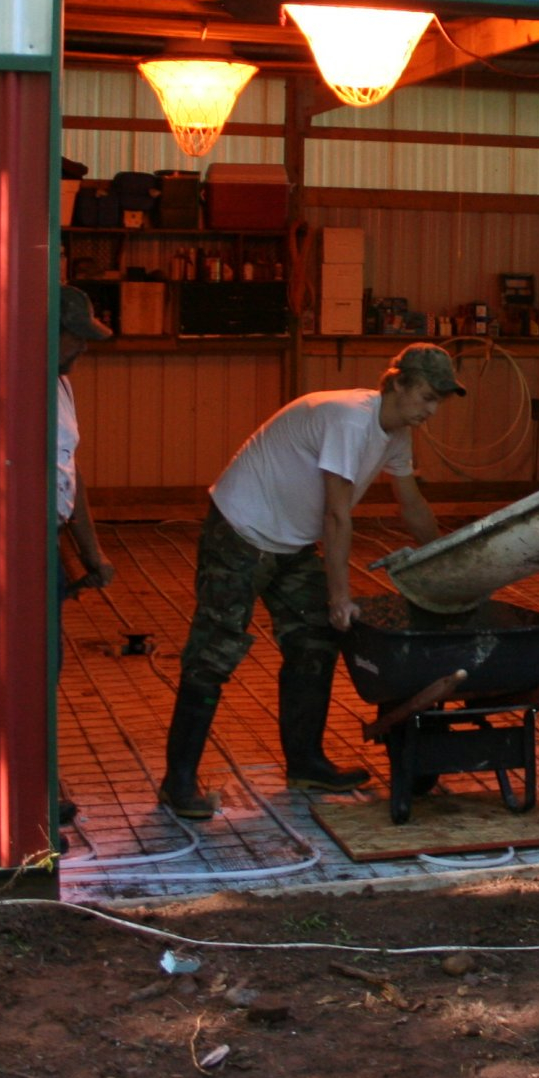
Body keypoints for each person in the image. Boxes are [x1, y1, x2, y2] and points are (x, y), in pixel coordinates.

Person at [157, 344, 464, 820]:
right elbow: (337, 516)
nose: (431, 411)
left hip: (290, 541)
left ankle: (305, 763)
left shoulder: (396, 430)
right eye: (426, 397)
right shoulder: (350, 420)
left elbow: (412, 503)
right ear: (397, 382)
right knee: (214, 651)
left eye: (438, 402)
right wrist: (339, 595)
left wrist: (452, 560)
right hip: (241, 530)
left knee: (315, 639)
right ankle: (177, 780)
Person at [56, 285, 115, 828]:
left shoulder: (63, 385)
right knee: (34, 661)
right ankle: (37, 783)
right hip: (25, 540)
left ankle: (41, 775)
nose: (85, 349)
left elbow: (72, 471)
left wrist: (90, 550)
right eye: (79, 338)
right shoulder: (17, 384)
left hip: (50, 533)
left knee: (47, 662)